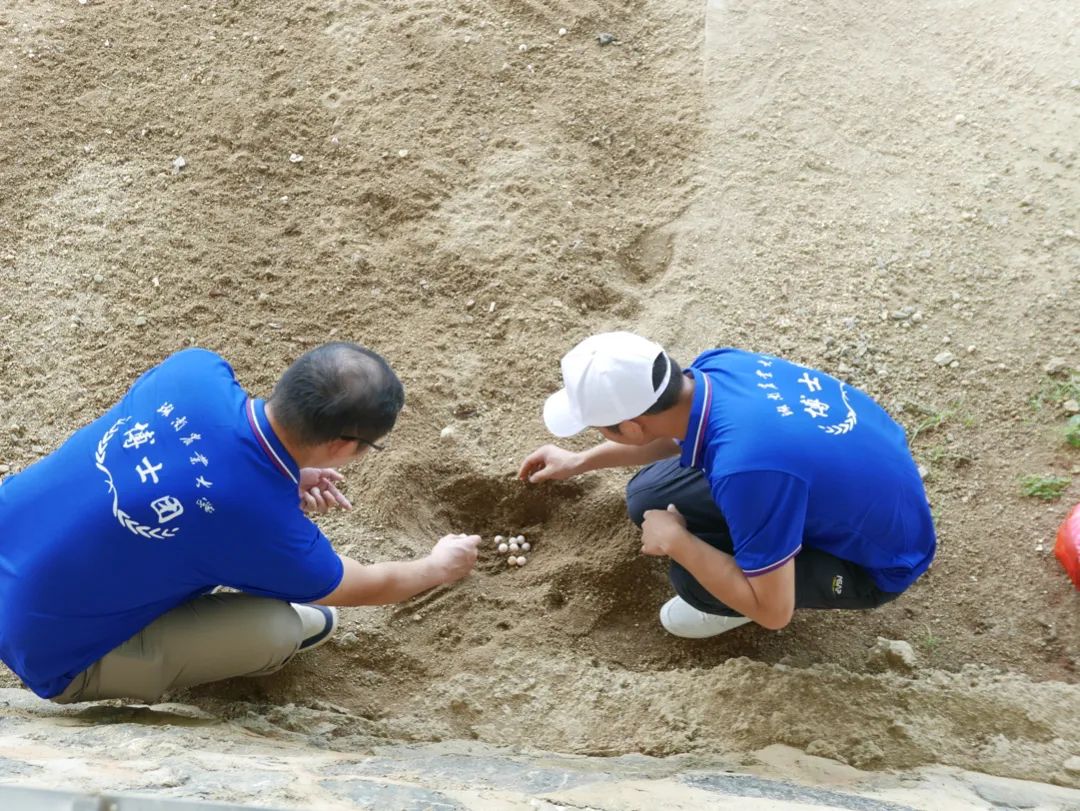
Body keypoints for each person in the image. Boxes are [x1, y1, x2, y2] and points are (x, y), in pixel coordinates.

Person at [0, 343, 481, 703]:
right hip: (47, 652)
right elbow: (368, 584)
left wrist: (282, 475)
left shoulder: (194, 370)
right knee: (279, 628)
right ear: (341, 445)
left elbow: (198, 460)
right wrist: (438, 566)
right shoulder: (265, 525)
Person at [519, 332, 935, 638]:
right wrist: (580, 461)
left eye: (598, 428)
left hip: (879, 561)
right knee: (647, 496)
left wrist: (677, 541)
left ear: (630, 427)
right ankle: (763, 551)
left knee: (693, 580)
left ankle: (741, 596)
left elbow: (775, 613)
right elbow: (669, 435)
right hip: (860, 478)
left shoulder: (745, 471)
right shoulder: (716, 367)